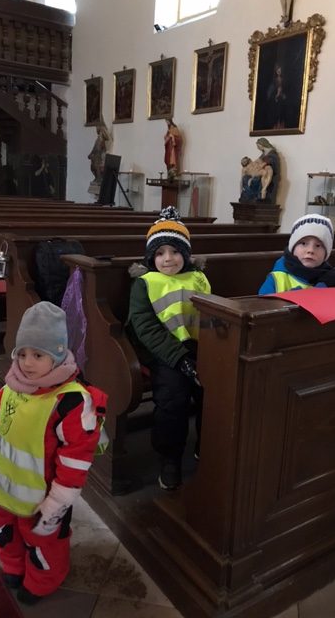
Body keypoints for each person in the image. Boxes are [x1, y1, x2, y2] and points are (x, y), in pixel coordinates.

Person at [0, 302, 107, 605]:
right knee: (5, 531)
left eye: (38, 355)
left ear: (57, 355)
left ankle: (42, 582)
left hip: (42, 498)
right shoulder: (12, 386)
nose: (27, 363)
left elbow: (75, 459)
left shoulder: (70, 401)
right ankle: (13, 567)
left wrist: (56, 503)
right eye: (21, 354)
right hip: (4, 487)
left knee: (43, 546)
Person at [126, 206, 211, 491]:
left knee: (214, 392)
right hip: (163, 352)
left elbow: (211, 314)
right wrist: (179, 358)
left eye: (175, 251)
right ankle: (170, 458)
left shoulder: (197, 277)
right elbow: (145, 327)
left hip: (197, 346)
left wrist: (212, 350)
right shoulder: (144, 283)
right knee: (172, 400)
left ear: (185, 254)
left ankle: (206, 444)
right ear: (151, 257)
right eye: (160, 253)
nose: (168, 258)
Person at [258, 213, 335, 294]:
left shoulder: (327, 274)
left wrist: (327, 282)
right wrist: (290, 298)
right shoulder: (277, 278)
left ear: (326, 253)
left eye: (318, 246)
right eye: (303, 243)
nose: (310, 250)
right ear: (293, 247)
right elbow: (262, 308)